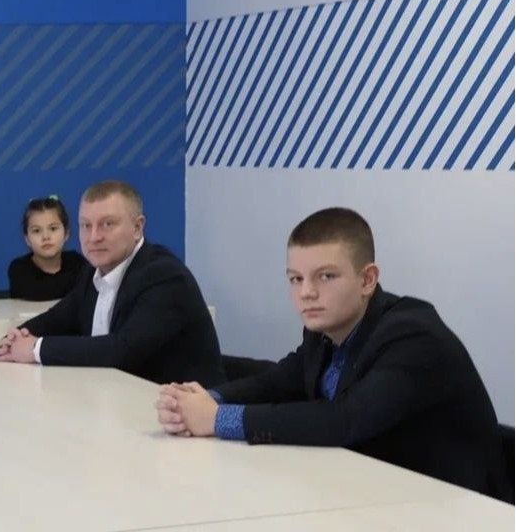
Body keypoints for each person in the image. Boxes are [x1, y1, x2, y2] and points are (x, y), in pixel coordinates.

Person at [155, 207, 503, 495]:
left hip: (456, 507)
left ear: (367, 279)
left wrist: (217, 419)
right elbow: (280, 380)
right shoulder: (324, 329)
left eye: (325, 277)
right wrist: (205, 399)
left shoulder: (414, 335)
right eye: (296, 278)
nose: (306, 292)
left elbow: (344, 420)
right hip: (369, 491)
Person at [0, 180, 225, 386]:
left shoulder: (165, 276)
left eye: (107, 224)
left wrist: (35, 348)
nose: (94, 237)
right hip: (118, 400)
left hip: (182, 410)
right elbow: (59, 317)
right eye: (86, 225)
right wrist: (17, 336)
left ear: (137, 228)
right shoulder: (92, 271)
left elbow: (121, 351)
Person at [7, 195, 87, 301]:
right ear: (27, 239)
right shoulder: (19, 269)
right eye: (36, 231)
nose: (45, 237)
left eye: (53, 229)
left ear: (66, 233)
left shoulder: (77, 263)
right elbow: (38, 292)